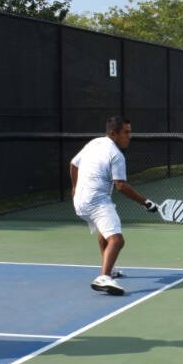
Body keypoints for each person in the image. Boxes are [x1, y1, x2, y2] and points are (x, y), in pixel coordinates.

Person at [70, 116, 158, 296]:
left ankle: (110, 269)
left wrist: (74, 187)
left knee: (105, 232)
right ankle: (103, 277)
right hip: (97, 201)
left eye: (129, 132)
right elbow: (121, 186)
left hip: (80, 201)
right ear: (113, 134)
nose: (129, 136)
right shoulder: (116, 155)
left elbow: (73, 164)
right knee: (117, 240)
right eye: (125, 132)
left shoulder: (94, 143)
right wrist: (146, 203)